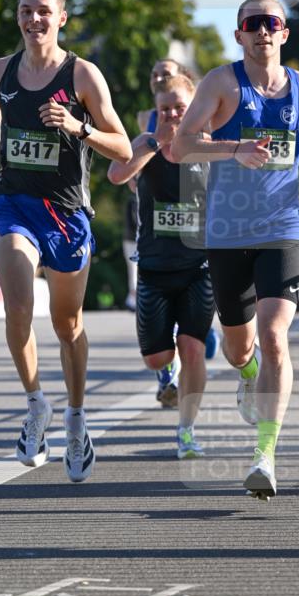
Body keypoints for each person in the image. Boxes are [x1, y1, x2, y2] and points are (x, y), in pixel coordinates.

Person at [172, 0, 299, 500]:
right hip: (227, 233)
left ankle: (265, 454)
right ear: (239, 34)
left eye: (271, 22)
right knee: (240, 347)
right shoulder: (221, 83)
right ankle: (248, 372)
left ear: (284, 33)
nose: (262, 30)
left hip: (281, 228)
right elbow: (180, 145)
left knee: (274, 336)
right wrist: (233, 148)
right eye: (252, 23)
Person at [0, 0, 131, 483]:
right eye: (26, 10)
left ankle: (77, 417)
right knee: (18, 305)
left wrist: (78, 127)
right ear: (17, 16)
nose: (34, 19)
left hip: (66, 212)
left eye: (44, 11)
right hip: (14, 203)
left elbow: (123, 147)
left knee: (67, 324)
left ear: (61, 18)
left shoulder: (82, 74)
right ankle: (35, 403)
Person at [108, 74, 214, 457]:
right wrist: (156, 142)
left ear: (193, 107)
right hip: (153, 268)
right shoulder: (144, 143)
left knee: (193, 348)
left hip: (199, 267)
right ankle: (167, 369)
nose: (171, 114)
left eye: (179, 108)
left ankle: (187, 430)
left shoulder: (208, 146)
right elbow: (116, 175)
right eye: (164, 108)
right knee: (157, 356)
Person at [122, 182, 138, 311]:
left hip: (132, 239)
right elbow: (135, 220)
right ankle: (133, 298)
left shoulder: (133, 199)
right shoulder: (134, 200)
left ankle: (132, 299)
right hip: (133, 239)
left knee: (133, 268)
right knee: (133, 268)